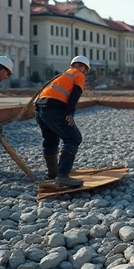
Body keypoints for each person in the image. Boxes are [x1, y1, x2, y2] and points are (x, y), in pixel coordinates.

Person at [34, 55, 90, 188]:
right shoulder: (79, 75)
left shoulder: (61, 76)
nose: (84, 72)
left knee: (51, 139)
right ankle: (62, 176)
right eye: (85, 69)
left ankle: (52, 173)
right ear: (83, 67)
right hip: (53, 109)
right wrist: (70, 113)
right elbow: (75, 95)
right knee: (73, 138)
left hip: (39, 109)